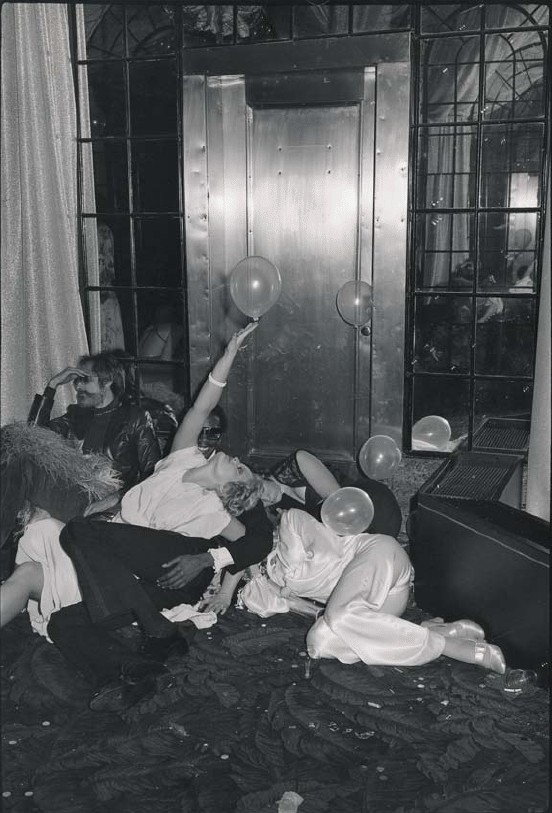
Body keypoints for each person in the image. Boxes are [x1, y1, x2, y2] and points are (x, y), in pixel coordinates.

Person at [240, 508, 506, 675]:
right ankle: (433, 631)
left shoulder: (291, 521)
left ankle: (450, 646)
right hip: (373, 605)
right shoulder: (262, 581)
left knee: (340, 615)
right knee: (319, 643)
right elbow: (272, 603)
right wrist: (263, 579)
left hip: (378, 557)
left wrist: (286, 582)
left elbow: (329, 554)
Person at [28, 351, 162, 490]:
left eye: (85, 379)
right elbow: (32, 440)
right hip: (72, 495)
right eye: (76, 380)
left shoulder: (135, 418)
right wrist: (52, 385)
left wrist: (118, 498)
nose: (78, 387)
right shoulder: (75, 416)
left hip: (116, 499)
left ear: (107, 381)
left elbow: (153, 473)